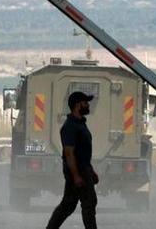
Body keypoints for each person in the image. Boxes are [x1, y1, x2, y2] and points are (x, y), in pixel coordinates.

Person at [46, 91, 99, 229]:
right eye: (85, 102)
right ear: (77, 105)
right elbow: (69, 153)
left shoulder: (80, 124)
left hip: (83, 169)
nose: (88, 105)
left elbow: (83, 152)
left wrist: (91, 170)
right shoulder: (70, 126)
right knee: (89, 203)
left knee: (68, 204)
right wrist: (76, 176)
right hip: (77, 170)